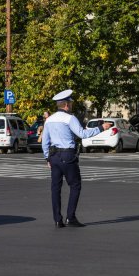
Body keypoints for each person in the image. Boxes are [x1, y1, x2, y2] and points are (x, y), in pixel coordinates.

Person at [42, 89, 112, 228]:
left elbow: (45, 142)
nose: (72, 105)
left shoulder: (49, 120)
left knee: (55, 188)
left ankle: (57, 219)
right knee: (75, 185)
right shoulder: (70, 118)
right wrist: (101, 128)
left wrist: (47, 159)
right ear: (66, 105)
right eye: (71, 103)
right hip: (68, 155)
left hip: (54, 156)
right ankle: (70, 217)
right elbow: (82, 134)